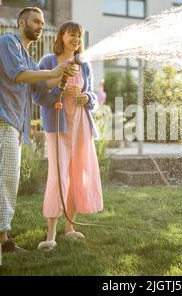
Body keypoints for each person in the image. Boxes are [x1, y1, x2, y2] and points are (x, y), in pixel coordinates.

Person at [0, 7, 78, 253]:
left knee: (8, 176)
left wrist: (61, 75)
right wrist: (54, 71)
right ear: (21, 21)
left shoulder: (28, 57)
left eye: (43, 23)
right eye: (36, 21)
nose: (40, 26)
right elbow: (19, 75)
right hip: (2, 116)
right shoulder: (7, 43)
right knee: (8, 177)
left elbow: (42, 87)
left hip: (15, 123)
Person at [33, 21, 103, 251]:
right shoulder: (48, 61)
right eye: (72, 34)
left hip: (81, 125)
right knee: (58, 176)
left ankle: (69, 227)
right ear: (62, 36)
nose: (75, 39)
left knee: (77, 174)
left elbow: (92, 96)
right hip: (58, 126)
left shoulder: (84, 64)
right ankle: (50, 234)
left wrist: (86, 99)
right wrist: (59, 91)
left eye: (79, 36)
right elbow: (38, 95)